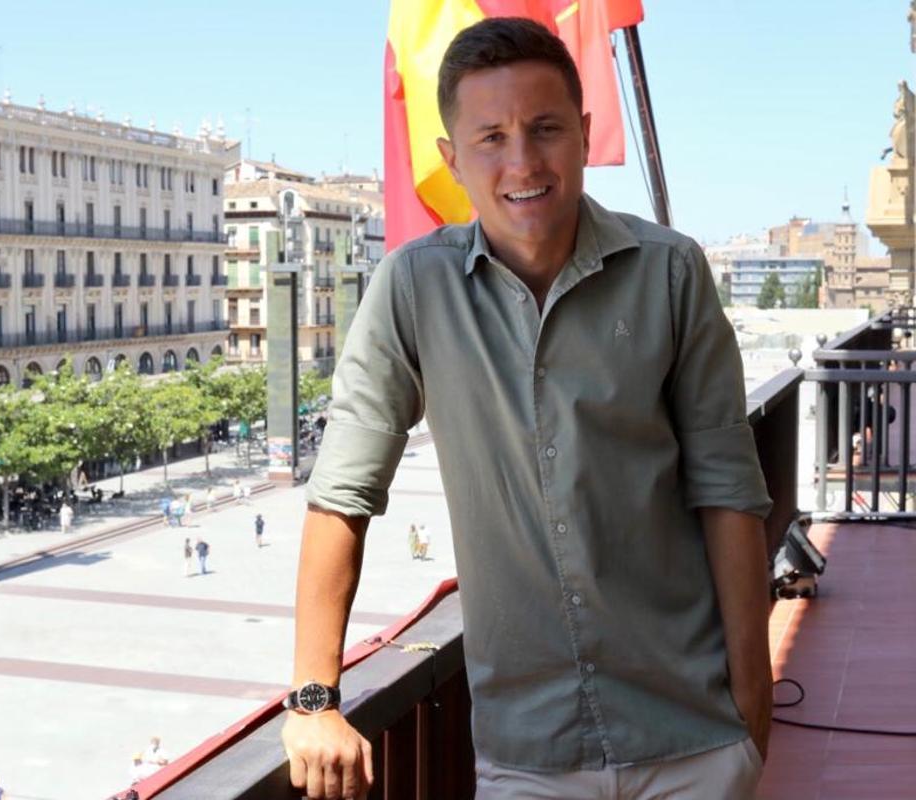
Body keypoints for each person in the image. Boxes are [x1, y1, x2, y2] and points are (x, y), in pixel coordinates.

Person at [283, 18, 772, 800]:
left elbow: (728, 492)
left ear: (581, 134)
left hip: (692, 732)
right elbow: (342, 492)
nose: (521, 161)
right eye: (491, 137)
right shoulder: (414, 289)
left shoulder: (671, 273)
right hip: (529, 751)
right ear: (452, 158)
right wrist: (314, 700)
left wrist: (752, 706)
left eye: (545, 129)